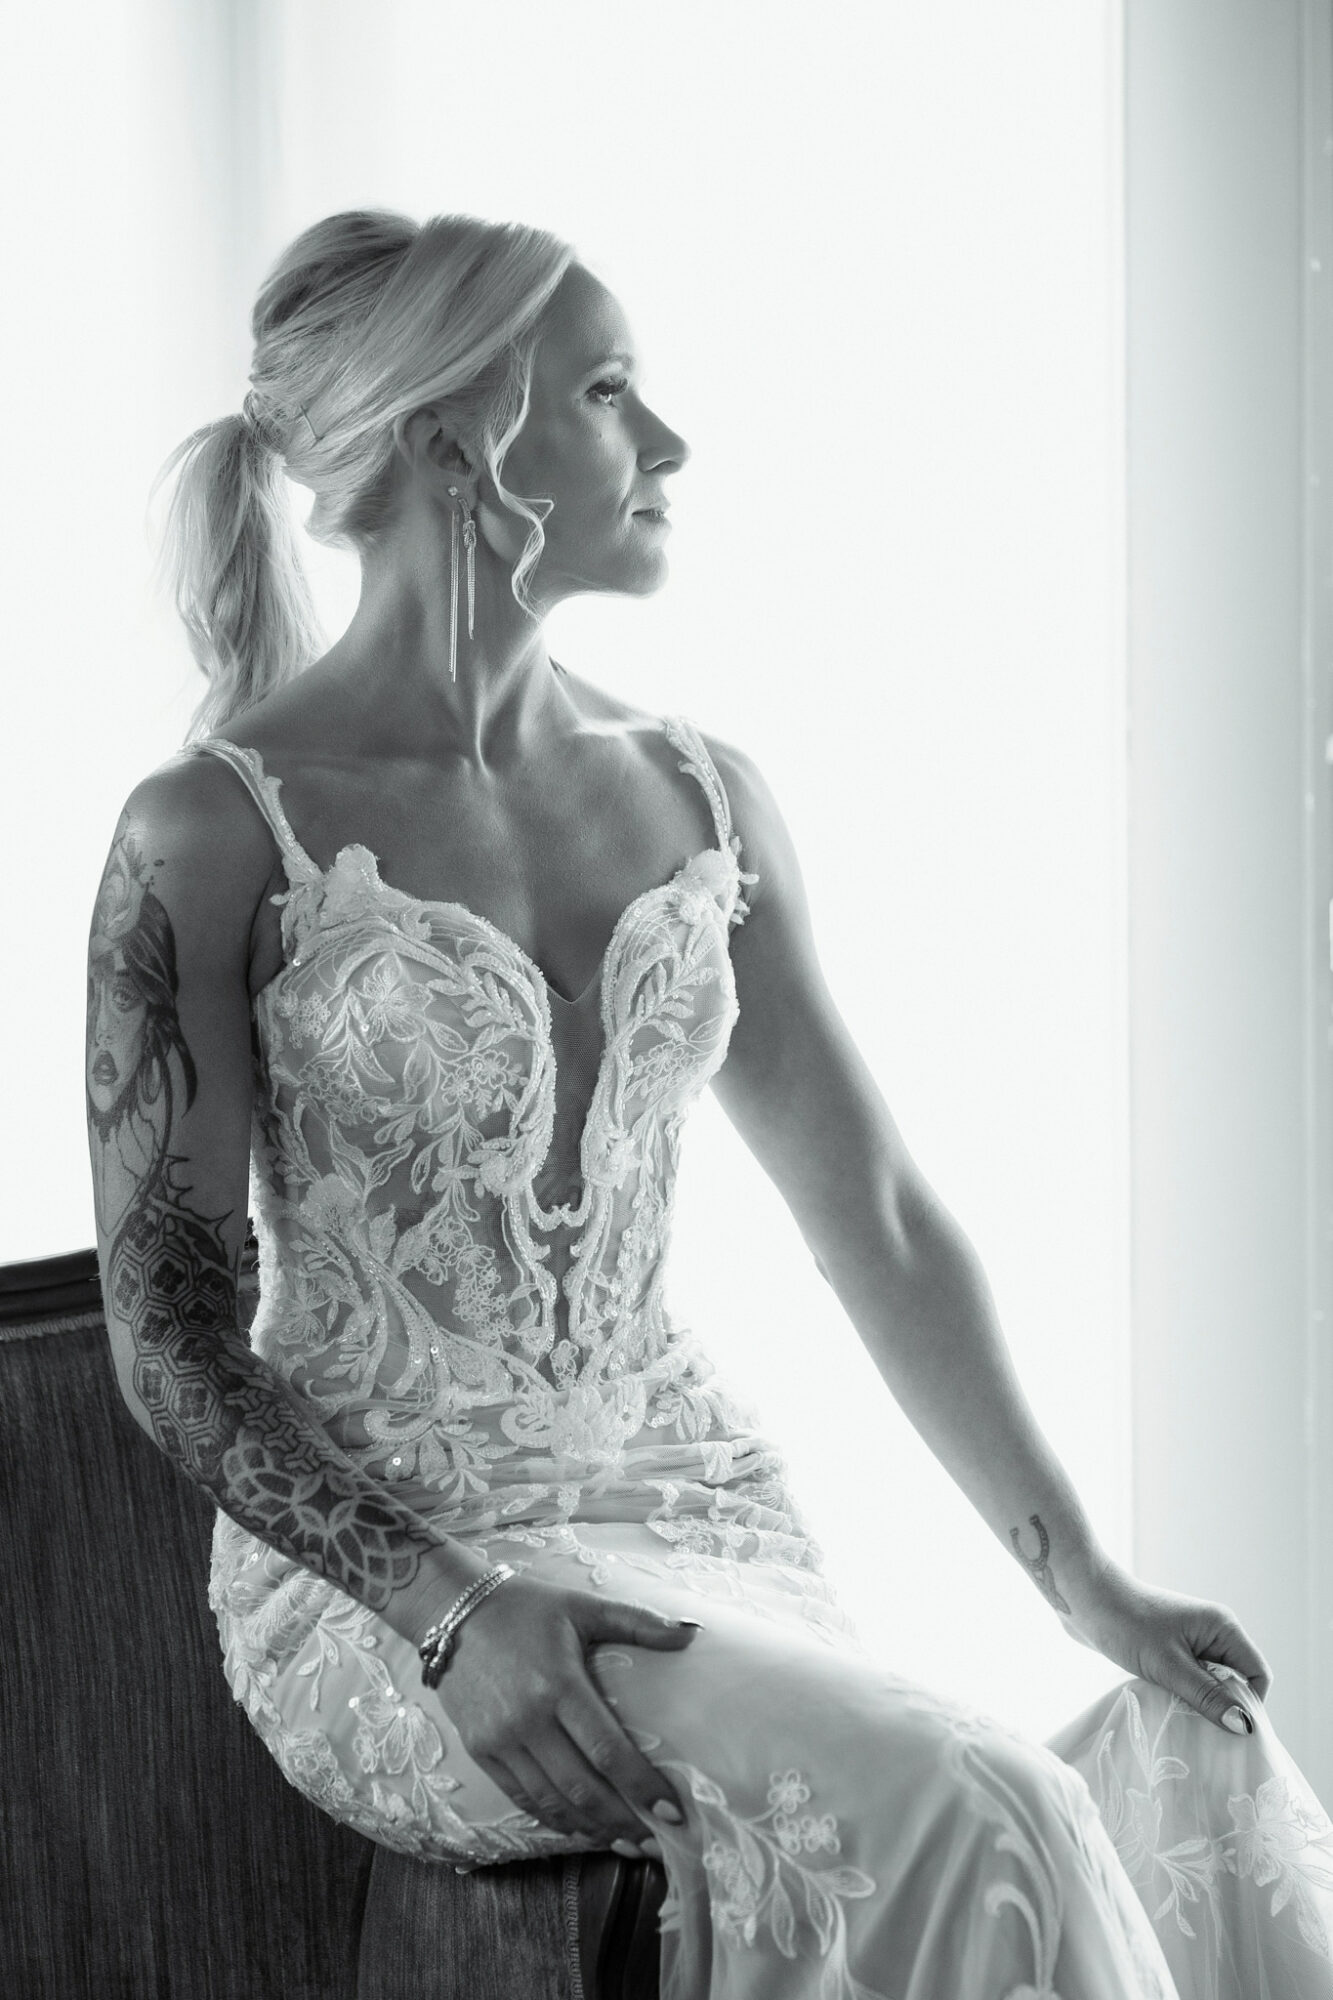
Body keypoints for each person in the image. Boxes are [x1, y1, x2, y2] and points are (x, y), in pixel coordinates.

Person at [86, 207, 1333, 2000]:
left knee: (1181, 1759)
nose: (666, 443)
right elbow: (170, 1342)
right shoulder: (206, 833)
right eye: (608, 393)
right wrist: (450, 1613)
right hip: (389, 1591)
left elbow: (876, 1216)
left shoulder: (699, 797)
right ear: (458, 445)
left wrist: (1081, 1580)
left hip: (705, 1520)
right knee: (992, 1806)